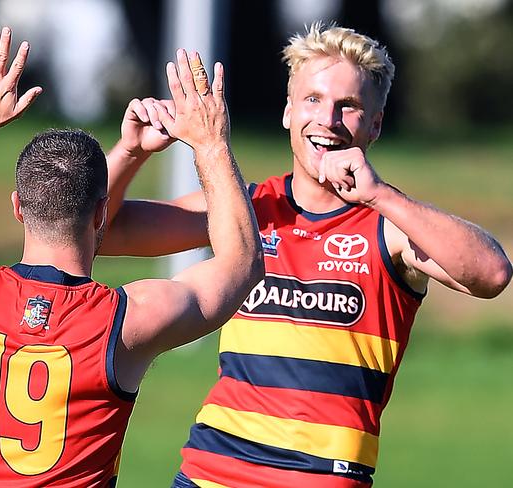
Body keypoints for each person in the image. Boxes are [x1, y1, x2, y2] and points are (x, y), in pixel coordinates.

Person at [102, 23, 512, 487]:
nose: (327, 120)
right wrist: (130, 152)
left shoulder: (389, 226)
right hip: (209, 473)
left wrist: (381, 196)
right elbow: (101, 233)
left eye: (349, 106)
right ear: (287, 112)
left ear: (375, 124)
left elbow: (492, 273)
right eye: (313, 100)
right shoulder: (244, 211)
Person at [0, 27, 263, 487]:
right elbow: (241, 264)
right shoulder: (127, 322)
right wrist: (210, 143)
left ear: (18, 206)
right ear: (103, 211)